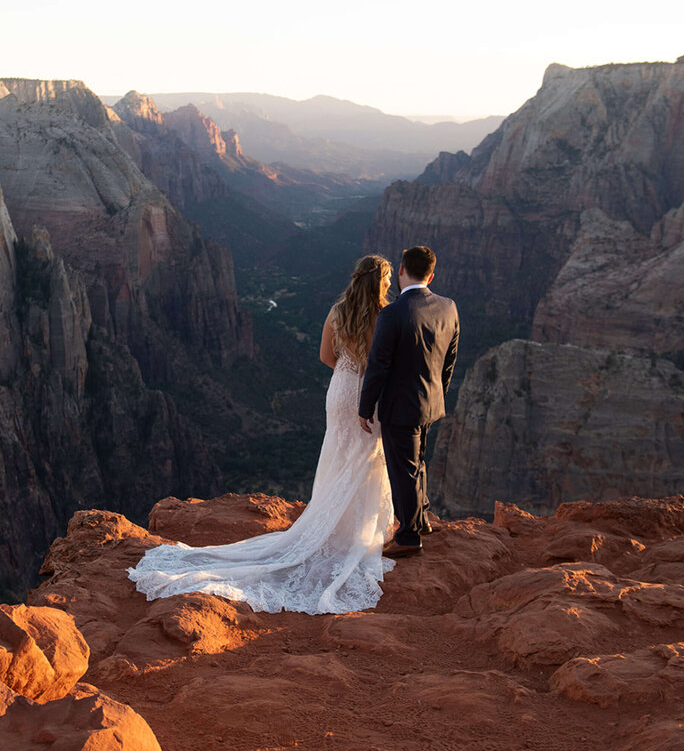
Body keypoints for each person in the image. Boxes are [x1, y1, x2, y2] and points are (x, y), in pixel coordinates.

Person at [127, 255, 397, 614]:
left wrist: (348, 371)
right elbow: (388, 363)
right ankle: (358, 534)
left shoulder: (338, 310)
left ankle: (330, 527)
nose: (390, 285)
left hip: (341, 391)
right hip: (370, 394)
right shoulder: (387, 315)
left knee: (338, 454)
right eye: (387, 279)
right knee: (369, 458)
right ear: (379, 282)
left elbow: (325, 356)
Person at [358, 246, 459, 559]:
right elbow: (450, 358)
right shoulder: (448, 307)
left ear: (402, 270)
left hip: (400, 406)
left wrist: (365, 407)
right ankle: (422, 517)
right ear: (431, 275)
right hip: (430, 401)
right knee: (419, 462)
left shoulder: (392, 313)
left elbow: (378, 365)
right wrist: (437, 393)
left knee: (403, 469)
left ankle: (409, 537)